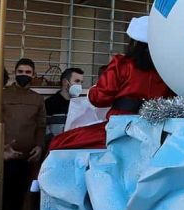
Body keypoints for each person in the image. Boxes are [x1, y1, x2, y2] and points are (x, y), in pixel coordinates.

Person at [49, 16, 172, 150]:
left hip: (120, 128)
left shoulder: (122, 64)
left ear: (134, 42)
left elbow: (100, 98)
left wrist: (92, 91)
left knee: (59, 143)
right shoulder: (165, 70)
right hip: (154, 130)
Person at [0, 58, 45, 210]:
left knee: (20, 202)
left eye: (27, 72)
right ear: (14, 73)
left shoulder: (37, 98)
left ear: (33, 75)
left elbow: (41, 125)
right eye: (20, 72)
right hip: (3, 159)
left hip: (27, 159)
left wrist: (40, 146)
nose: (23, 75)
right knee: (1, 202)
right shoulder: (1, 95)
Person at [44, 67, 84, 140]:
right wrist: (53, 142)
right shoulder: (50, 102)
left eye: (81, 82)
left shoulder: (80, 105)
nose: (80, 85)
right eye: (77, 81)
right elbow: (44, 127)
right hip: (56, 147)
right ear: (65, 82)